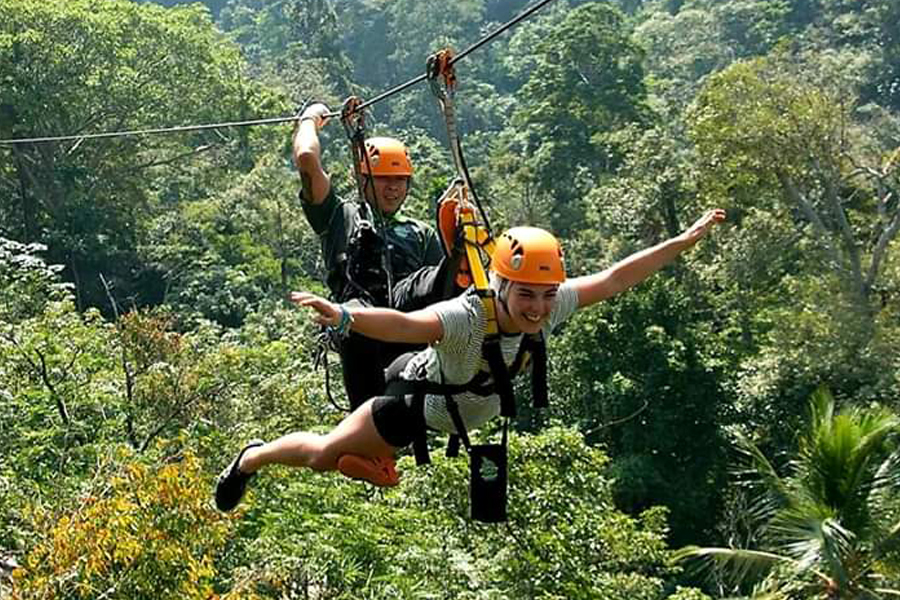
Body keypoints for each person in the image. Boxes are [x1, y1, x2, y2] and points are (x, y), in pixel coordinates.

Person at [215, 209, 727, 512]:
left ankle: (378, 464)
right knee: (324, 456)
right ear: (501, 286)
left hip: (456, 419)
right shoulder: (466, 316)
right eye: (526, 294)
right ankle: (252, 457)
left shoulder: (551, 307)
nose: (538, 308)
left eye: (547, 295)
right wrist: (346, 316)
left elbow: (615, 279)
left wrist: (681, 242)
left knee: (371, 469)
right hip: (410, 406)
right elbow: (404, 326)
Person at [294, 102, 459, 412]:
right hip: (359, 314)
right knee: (355, 318)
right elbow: (306, 159)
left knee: (446, 275)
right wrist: (309, 119)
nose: (393, 188)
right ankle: (370, 433)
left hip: (405, 321)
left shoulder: (420, 232)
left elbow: (442, 293)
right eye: (384, 179)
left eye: (400, 181)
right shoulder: (338, 216)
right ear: (364, 179)